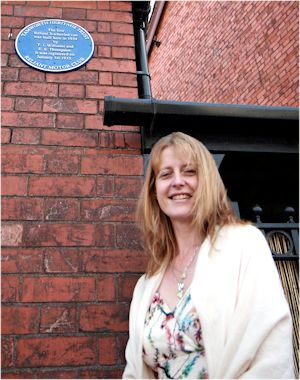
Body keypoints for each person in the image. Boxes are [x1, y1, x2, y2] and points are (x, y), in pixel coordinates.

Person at [123, 132, 294, 379]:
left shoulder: (244, 245)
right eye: (166, 174)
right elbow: (134, 372)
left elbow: (273, 354)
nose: (177, 181)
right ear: (154, 191)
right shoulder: (145, 286)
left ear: (207, 182)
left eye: (189, 171)